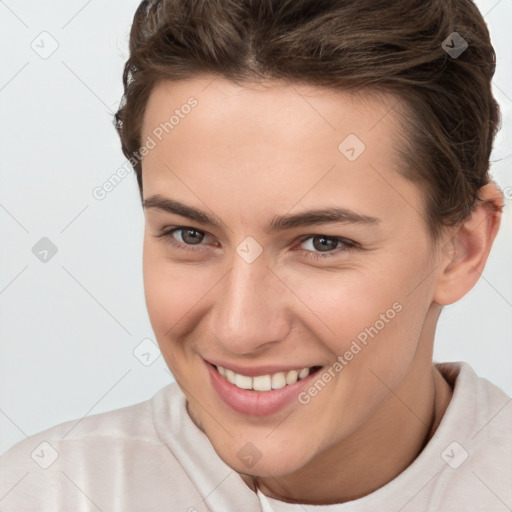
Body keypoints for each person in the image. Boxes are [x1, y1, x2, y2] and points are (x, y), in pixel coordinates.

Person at [1, 0, 510, 510]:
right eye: (191, 235)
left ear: (461, 249)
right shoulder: (45, 493)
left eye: (322, 243)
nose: (239, 329)